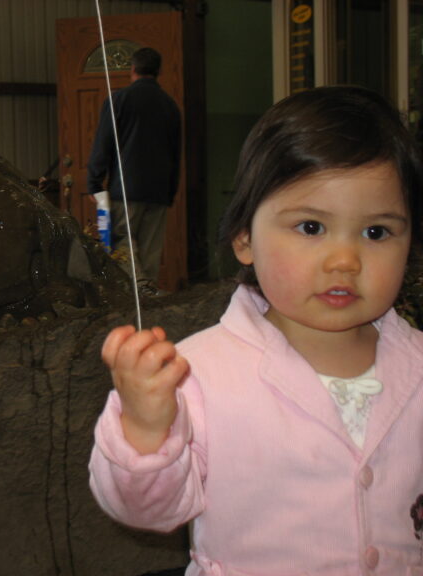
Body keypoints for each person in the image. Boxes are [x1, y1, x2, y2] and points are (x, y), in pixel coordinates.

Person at [88, 85, 423, 575]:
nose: (346, 260)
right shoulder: (195, 373)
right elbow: (148, 510)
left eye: (377, 232)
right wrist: (145, 428)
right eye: (311, 227)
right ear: (244, 237)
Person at [87, 47, 182, 295]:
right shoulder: (170, 106)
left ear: (132, 69)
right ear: (158, 71)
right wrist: (171, 190)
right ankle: (149, 298)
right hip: (159, 188)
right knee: (151, 248)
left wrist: (94, 183)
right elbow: (175, 152)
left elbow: (103, 143)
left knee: (122, 241)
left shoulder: (118, 100)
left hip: (126, 187)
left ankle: (136, 291)